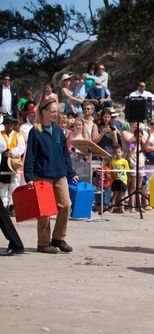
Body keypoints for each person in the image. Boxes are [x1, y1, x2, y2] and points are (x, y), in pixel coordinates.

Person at [23, 99, 78, 254]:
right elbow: (30, 156)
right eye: (53, 111)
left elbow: (65, 154)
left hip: (60, 174)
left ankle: (58, 238)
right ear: (44, 112)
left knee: (66, 205)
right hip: (42, 176)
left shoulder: (58, 130)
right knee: (45, 211)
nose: (56, 114)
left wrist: (71, 172)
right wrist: (29, 177)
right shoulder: (35, 131)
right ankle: (43, 243)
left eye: (56, 111)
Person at [0, 115, 24, 214]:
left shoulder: (18, 135)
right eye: (7, 123)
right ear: (4, 124)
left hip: (14, 163)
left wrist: (11, 152)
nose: (9, 125)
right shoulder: (0, 134)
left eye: (11, 123)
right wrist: (4, 152)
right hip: (3, 162)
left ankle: (12, 206)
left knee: (15, 184)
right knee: (3, 185)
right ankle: (4, 206)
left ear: (14, 124)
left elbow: (21, 148)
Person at [109, 146, 129, 213]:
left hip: (122, 180)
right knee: (114, 195)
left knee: (122, 195)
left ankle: (122, 208)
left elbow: (128, 170)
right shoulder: (112, 161)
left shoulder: (124, 161)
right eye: (116, 152)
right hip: (115, 180)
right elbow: (110, 170)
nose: (117, 153)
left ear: (122, 152)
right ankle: (111, 208)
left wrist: (122, 170)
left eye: (119, 152)